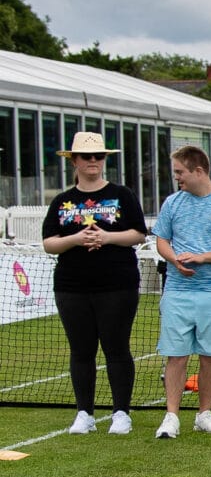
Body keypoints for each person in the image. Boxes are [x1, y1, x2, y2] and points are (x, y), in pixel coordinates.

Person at [43, 132, 148, 436]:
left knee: (116, 347)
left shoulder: (123, 194)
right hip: (71, 286)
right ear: (73, 161)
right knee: (81, 350)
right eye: (86, 156)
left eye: (98, 156)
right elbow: (49, 243)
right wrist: (76, 239)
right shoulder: (62, 200)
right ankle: (84, 413)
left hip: (117, 283)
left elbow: (138, 233)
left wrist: (106, 237)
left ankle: (121, 413)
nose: (92, 161)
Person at [152, 146, 211, 439]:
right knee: (175, 355)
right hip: (177, 292)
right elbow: (162, 241)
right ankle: (171, 417)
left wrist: (203, 258)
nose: (177, 178)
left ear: (198, 171)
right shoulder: (172, 203)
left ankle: (204, 414)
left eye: (180, 172)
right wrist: (174, 260)